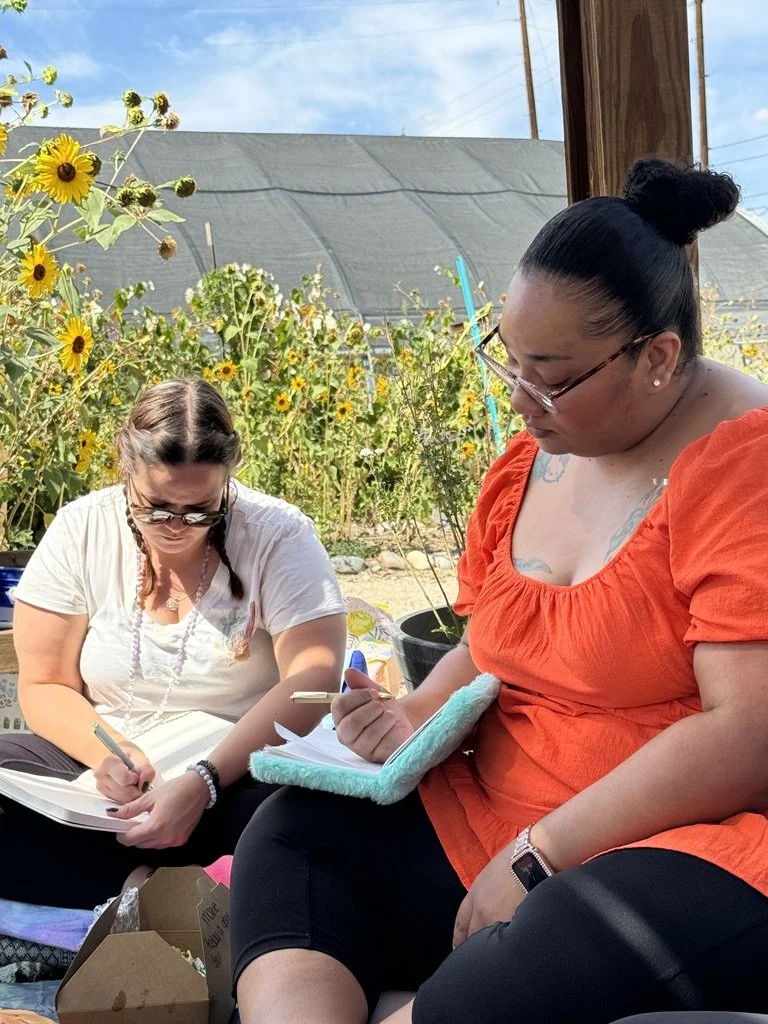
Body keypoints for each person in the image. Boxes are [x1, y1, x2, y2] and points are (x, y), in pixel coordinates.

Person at [229, 159, 768, 1024]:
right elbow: (491, 642)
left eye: (551, 376)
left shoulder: (742, 464)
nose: (522, 401)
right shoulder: (530, 462)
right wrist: (414, 717)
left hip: (682, 844)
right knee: (295, 834)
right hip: (500, 815)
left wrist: (542, 853)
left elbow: (747, 734)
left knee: (575, 937)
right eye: (510, 363)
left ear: (659, 357)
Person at [0, 377, 346, 909]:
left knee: (305, 817)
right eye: (156, 507)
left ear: (227, 479)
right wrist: (105, 752)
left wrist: (204, 781)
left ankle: (126, 886)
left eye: (202, 510)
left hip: (236, 770)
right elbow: (45, 683)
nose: (176, 526)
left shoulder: (277, 535)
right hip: (110, 775)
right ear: (126, 467)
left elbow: (314, 680)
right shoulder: (81, 529)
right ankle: (155, 888)